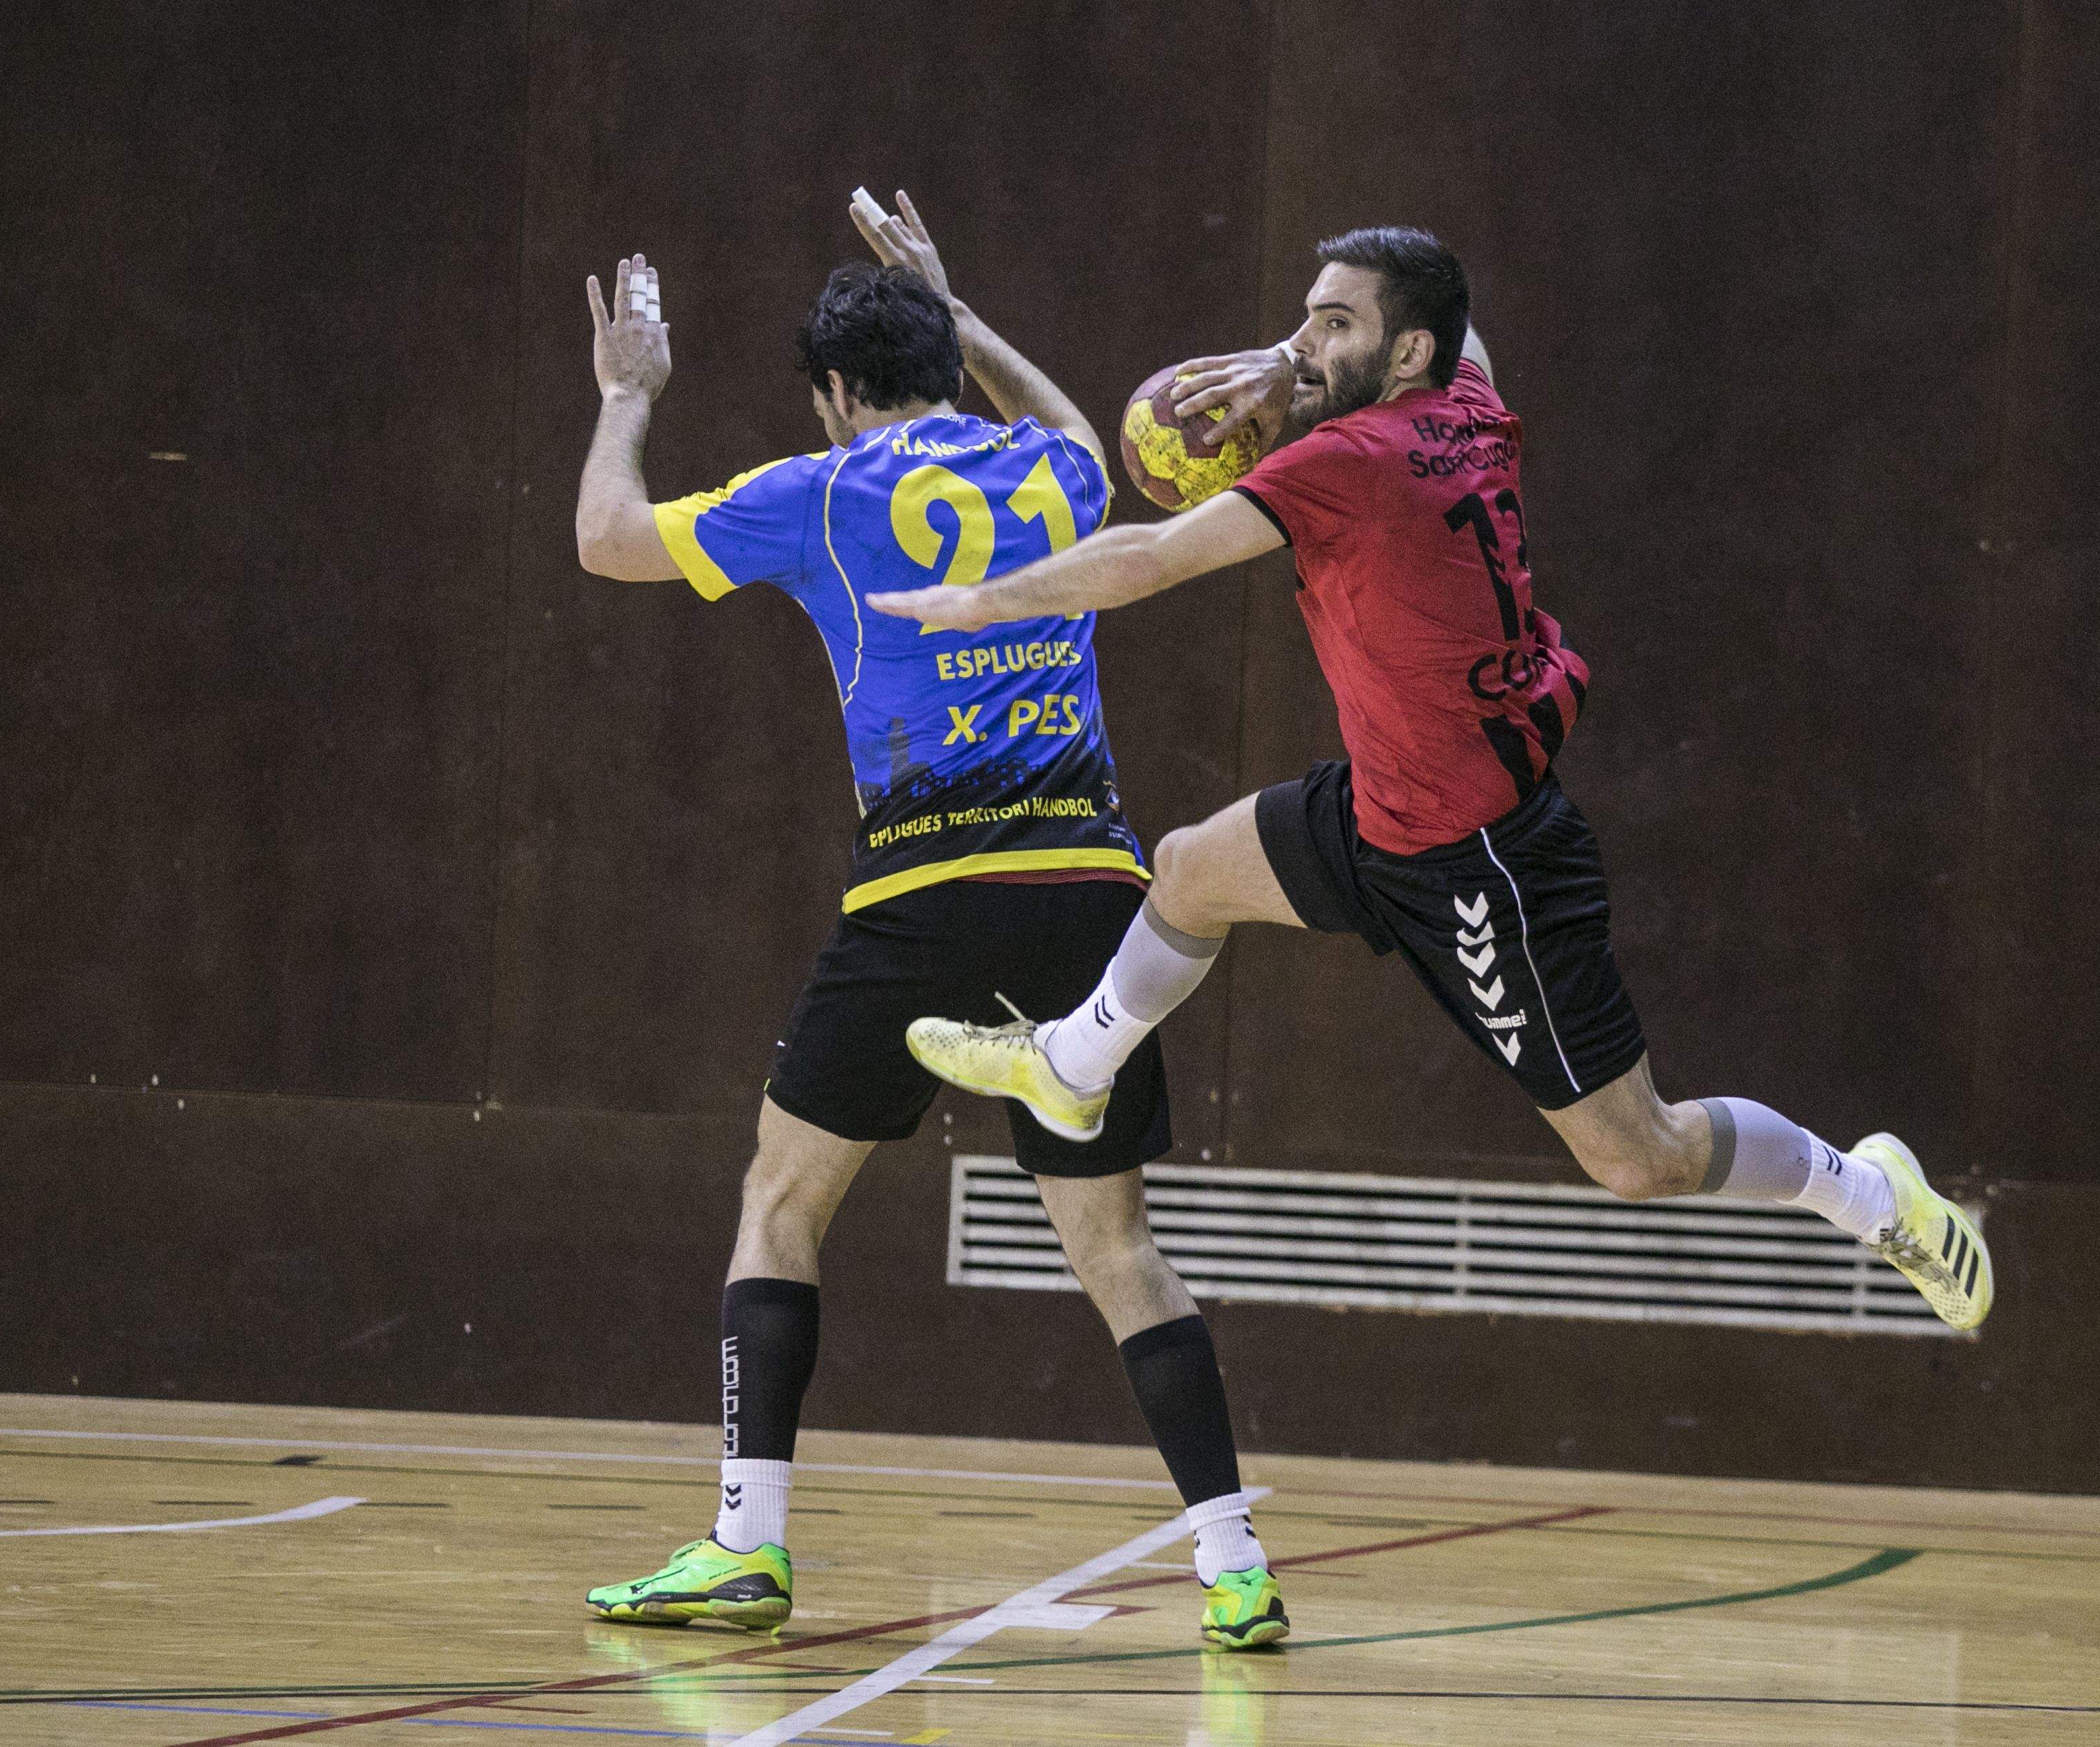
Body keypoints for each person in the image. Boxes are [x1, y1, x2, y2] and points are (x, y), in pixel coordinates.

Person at [874, 226, 1994, 1334]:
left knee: (1636, 1156)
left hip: (1481, 863)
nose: (1304, 341)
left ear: (1406, 355)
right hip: (1387, 804)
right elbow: (1468, 334)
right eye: (1305, 313)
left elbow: (1150, 558)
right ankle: (1074, 1064)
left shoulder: (1347, 465)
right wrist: (1289, 357)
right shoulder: (1463, 398)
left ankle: (1866, 1192)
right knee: (1190, 874)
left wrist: (977, 603)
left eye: (1334, 323)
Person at [569, 192, 1288, 1650]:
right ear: (949, 366)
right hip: (1090, 888)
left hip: (922, 890)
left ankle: (745, 1547)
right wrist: (964, 313)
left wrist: (628, 396)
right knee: (1117, 1244)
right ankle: (1235, 1563)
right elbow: (1088, 431)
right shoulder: (1049, 472)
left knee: (783, 1199)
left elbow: (602, 539)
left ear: (833, 394)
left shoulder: (818, 492)